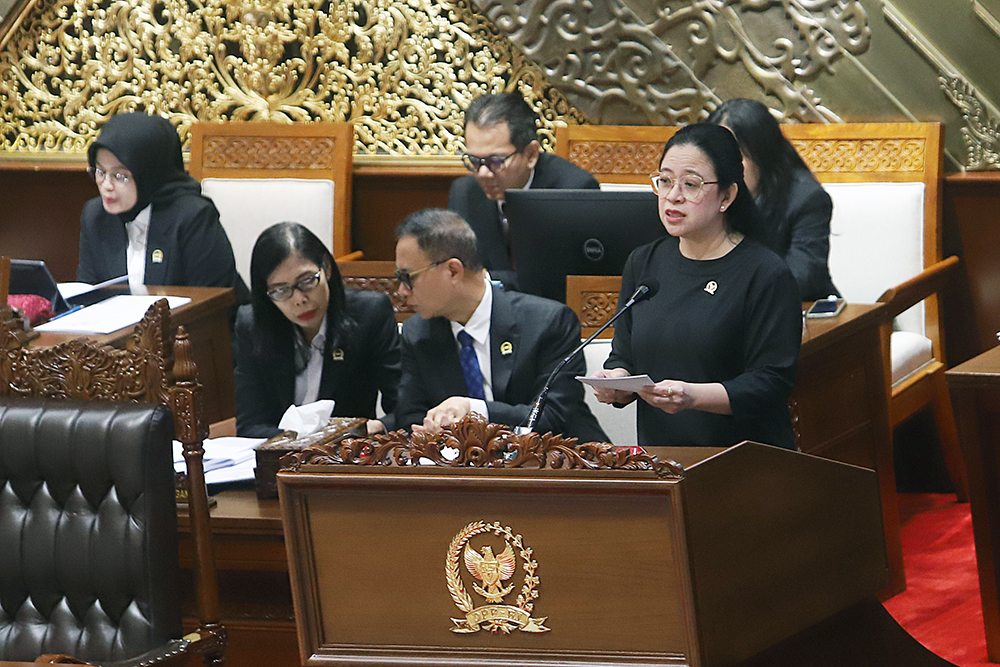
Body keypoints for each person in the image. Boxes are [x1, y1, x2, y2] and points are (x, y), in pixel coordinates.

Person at [591, 124, 802, 450]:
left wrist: (692, 396)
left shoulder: (765, 273)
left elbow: (771, 383)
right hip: (663, 461)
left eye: (691, 184)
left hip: (746, 461)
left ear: (728, 196)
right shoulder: (644, 263)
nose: (673, 196)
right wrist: (616, 383)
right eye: (664, 181)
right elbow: (625, 357)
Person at [393, 208, 608, 442]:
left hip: (560, 466)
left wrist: (475, 410)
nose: (401, 291)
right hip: (464, 473)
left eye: (408, 277)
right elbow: (409, 419)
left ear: (453, 271)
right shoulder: (417, 333)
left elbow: (552, 417)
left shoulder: (548, 322)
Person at [234, 222, 400, 438]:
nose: (299, 299)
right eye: (281, 290)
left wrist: (377, 427)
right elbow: (250, 426)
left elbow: (402, 407)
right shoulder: (252, 325)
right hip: (281, 457)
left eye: (307, 281)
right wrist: (303, 441)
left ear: (327, 269)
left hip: (346, 455)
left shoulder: (369, 314)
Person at [78, 112, 246, 299]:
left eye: (120, 176)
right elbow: (89, 296)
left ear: (148, 174)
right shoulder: (96, 216)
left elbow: (212, 306)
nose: (106, 186)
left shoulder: (193, 218)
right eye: (100, 171)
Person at [448, 92, 600, 290]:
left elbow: (562, 280)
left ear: (530, 154)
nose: (483, 173)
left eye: (496, 161)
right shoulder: (465, 194)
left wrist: (484, 281)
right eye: (475, 161)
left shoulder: (573, 191)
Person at [707, 98, 839, 301]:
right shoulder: (705, 195)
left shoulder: (805, 199)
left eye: (737, 156)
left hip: (802, 314)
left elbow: (802, 277)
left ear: (763, 153)